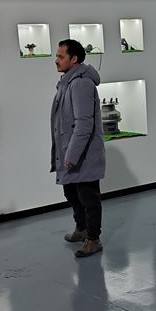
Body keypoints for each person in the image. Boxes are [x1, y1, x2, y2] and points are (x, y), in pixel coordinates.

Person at [51, 39, 105, 257]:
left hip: (83, 154)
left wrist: (72, 155)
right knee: (71, 192)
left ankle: (93, 239)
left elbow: (83, 124)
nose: (56, 60)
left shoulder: (81, 84)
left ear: (74, 59)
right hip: (71, 151)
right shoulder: (67, 82)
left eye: (60, 56)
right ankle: (81, 229)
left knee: (88, 197)